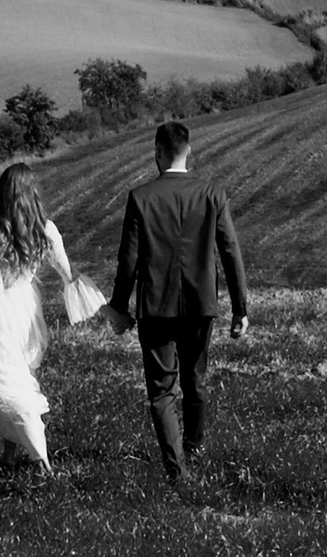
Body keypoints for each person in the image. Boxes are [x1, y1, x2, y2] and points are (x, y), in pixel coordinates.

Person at [105, 119, 249, 485]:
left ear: (157, 152)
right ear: (189, 151)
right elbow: (230, 251)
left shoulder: (140, 197)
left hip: (156, 305)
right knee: (195, 379)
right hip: (201, 304)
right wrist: (240, 307)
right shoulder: (213, 194)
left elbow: (128, 259)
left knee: (161, 391)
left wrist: (119, 305)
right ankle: (194, 447)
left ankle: (177, 468)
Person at [0, 161, 107, 472]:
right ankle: (10, 455)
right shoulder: (46, 230)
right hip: (28, 314)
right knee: (18, 378)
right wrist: (102, 307)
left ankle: (41, 461)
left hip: (0, 314)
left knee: (8, 386)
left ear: (1, 195)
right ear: (32, 193)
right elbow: (68, 274)